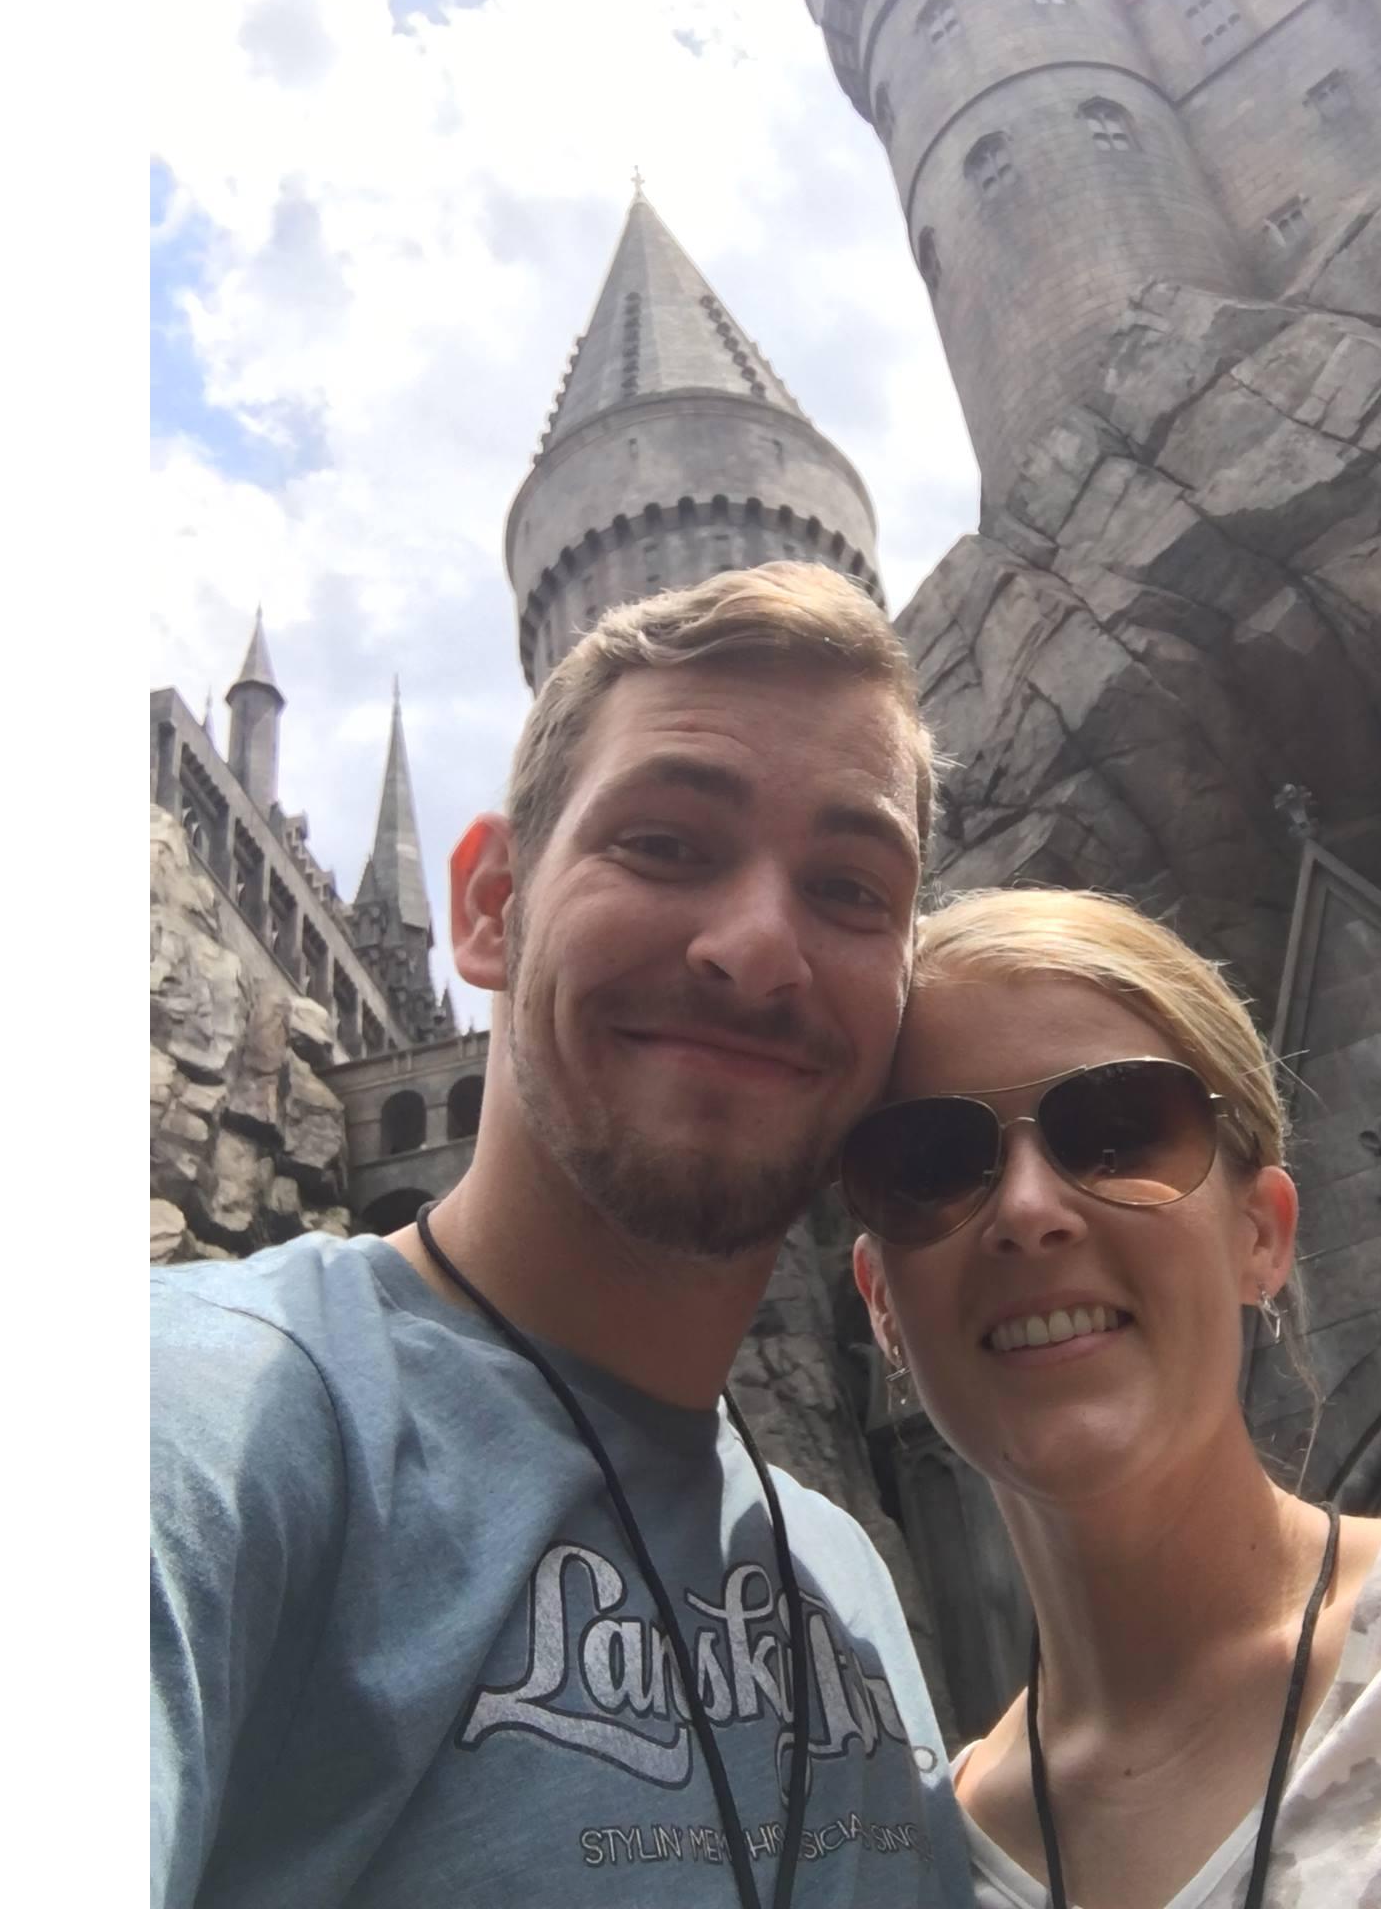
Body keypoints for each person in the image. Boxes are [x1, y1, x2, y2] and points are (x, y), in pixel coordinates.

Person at [151, 563, 978, 1909]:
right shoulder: (206, 1420)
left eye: (848, 887)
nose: (757, 945)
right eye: (664, 843)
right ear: (490, 908)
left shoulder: (843, 1576)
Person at [845, 888, 1381, 1909]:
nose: (1026, 1208)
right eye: (933, 1161)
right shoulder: (899, 1873)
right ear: (881, 1301)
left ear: (1261, 1234)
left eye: (1115, 1133)